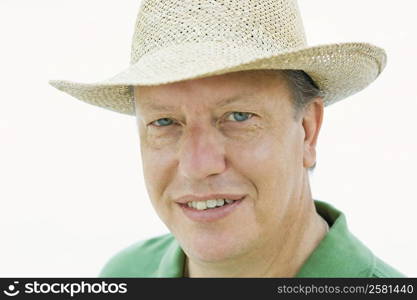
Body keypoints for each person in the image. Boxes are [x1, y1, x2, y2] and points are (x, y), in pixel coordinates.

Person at [49, 0, 404, 277]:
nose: (198, 166)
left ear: (308, 130)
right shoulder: (127, 274)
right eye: (165, 122)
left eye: (238, 117)